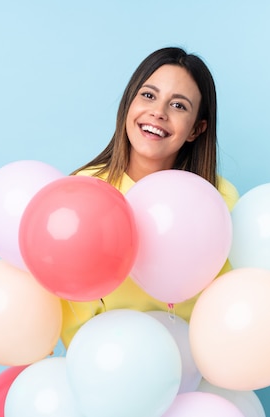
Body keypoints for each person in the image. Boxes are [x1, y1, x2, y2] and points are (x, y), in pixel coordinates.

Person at [60, 46, 239, 347]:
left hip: (194, 378)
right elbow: (72, 312)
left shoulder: (220, 199)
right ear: (128, 104)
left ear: (197, 129)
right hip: (106, 369)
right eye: (148, 95)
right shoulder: (85, 191)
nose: (158, 112)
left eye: (179, 105)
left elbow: (228, 307)